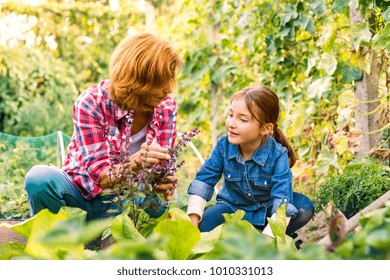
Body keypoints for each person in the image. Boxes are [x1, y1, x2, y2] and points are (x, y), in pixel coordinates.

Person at [25, 32, 183, 220]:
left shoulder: (166, 107)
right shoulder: (92, 102)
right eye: (160, 80)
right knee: (39, 179)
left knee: (155, 204)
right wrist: (137, 162)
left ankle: (118, 240)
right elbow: (101, 177)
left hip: (125, 203)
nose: (169, 88)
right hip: (80, 198)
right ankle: (56, 240)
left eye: (170, 78)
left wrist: (165, 183)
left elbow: (163, 173)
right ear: (137, 78)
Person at [186, 85, 314, 238]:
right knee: (204, 226)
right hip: (231, 207)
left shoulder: (278, 155)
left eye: (243, 119)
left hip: (266, 209)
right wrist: (192, 224)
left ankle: (267, 234)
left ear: (265, 128)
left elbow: (282, 202)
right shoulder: (223, 146)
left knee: (303, 207)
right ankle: (249, 234)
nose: (232, 123)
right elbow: (204, 182)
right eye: (231, 115)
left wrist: (265, 243)